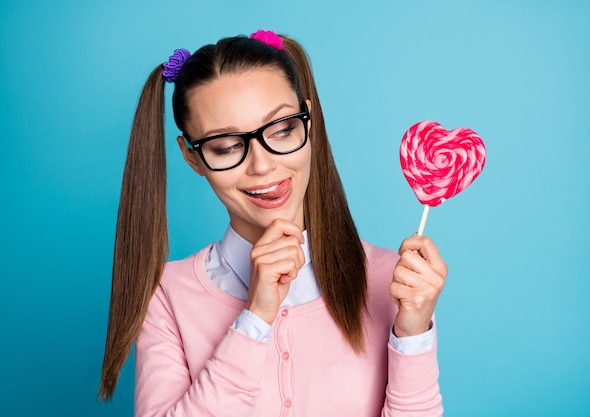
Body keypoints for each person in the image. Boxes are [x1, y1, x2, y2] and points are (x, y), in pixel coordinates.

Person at [99, 29, 447, 416]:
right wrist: (256, 316)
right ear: (192, 157)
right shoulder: (167, 294)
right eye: (227, 146)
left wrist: (412, 334)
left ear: (308, 123)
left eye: (281, 130)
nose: (263, 165)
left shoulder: (392, 281)